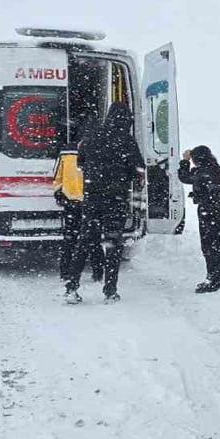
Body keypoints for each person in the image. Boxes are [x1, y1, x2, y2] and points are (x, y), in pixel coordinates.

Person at [64, 102, 144, 304]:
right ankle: (110, 291)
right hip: (116, 200)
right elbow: (139, 171)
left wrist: (96, 171)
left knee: (84, 242)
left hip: (92, 198)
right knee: (113, 244)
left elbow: (80, 163)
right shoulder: (127, 141)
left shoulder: (91, 137)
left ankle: (71, 288)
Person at [178, 145, 220, 293]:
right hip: (219, 209)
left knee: (209, 246)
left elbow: (184, 177)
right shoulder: (215, 169)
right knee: (216, 245)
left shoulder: (203, 172)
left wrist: (185, 161)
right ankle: (217, 277)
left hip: (209, 211)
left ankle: (213, 280)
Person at [54, 119, 105, 284]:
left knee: (70, 239)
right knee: (94, 239)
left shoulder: (65, 152)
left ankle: (66, 272)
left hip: (71, 201)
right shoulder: (98, 150)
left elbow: (57, 176)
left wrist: (59, 193)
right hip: (91, 201)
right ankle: (98, 272)